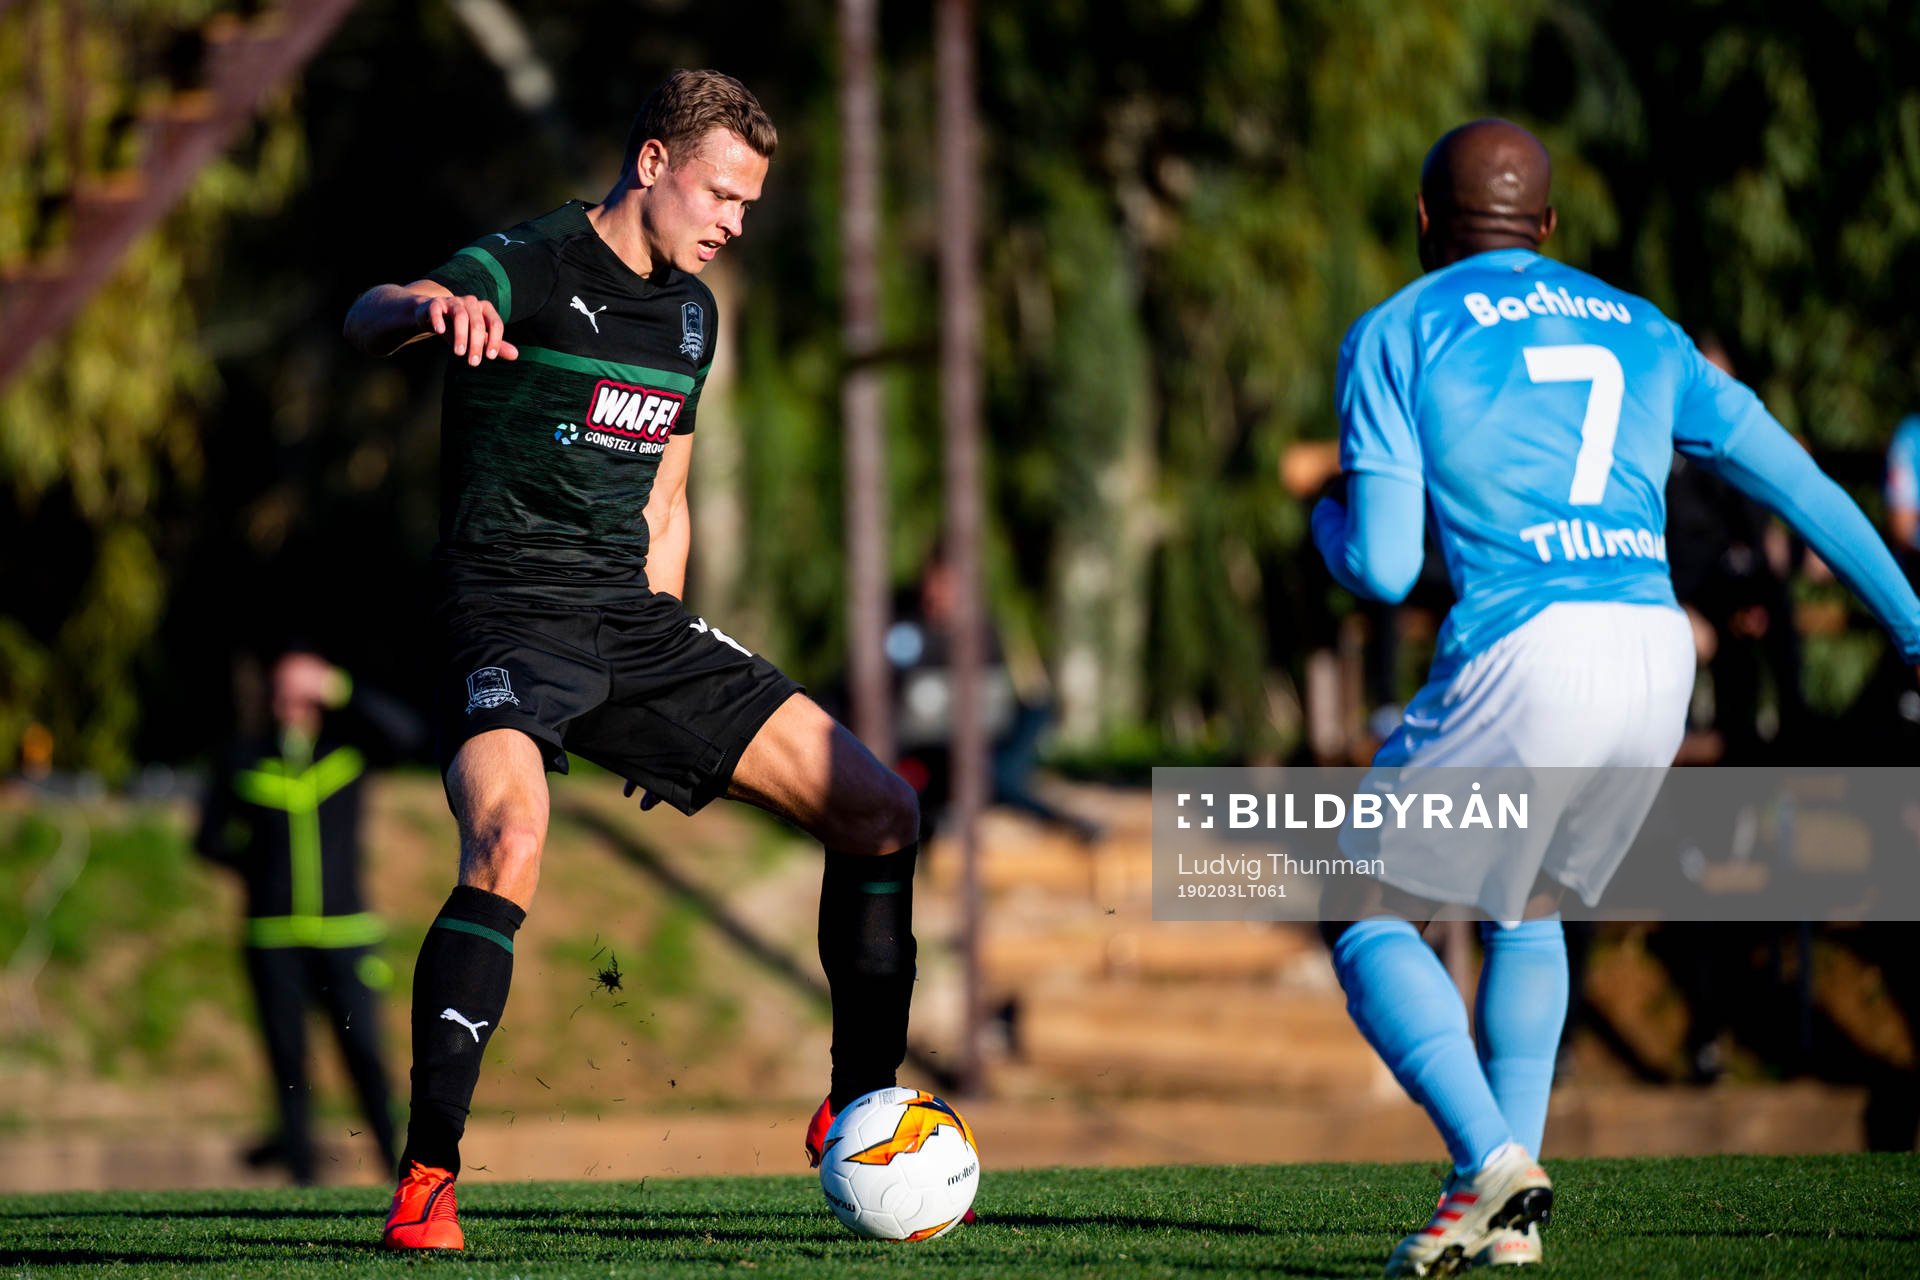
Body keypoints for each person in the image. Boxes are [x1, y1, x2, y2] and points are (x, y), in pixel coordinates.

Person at [1311, 119, 1920, 1275]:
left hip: (1528, 648)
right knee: (1526, 902)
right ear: (1547, 227)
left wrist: (1325, 524)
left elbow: (1384, 566)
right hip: (1655, 647)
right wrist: (1915, 626)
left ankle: (1490, 1161)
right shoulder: (1643, 326)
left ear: (1426, 222)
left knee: (1366, 905)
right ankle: (1505, 1221)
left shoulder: (1397, 328)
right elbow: (1797, 481)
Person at [342, 71, 920, 1251]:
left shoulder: (694, 318)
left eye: (750, 205)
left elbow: (667, 500)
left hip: (634, 624)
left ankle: (860, 1109)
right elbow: (368, 316)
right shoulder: (528, 264)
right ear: (652, 162)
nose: (734, 222)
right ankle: (427, 1177)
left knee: (881, 810)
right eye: (722, 194)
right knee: (510, 840)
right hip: (503, 612)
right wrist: (426, 306)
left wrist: (662, 701)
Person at [196, 648, 425, 1185]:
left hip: (346, 934)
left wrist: (340, 686)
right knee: (289, 1066)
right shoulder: (243, 759)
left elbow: (411, 736)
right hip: (273, 937)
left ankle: (403, 1174)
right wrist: (257, 868)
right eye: (282, 688)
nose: (291, 700)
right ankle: (302, 1184)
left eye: (302, 688)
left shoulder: (347, 751)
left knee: (365, 1055)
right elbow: (207, 840)